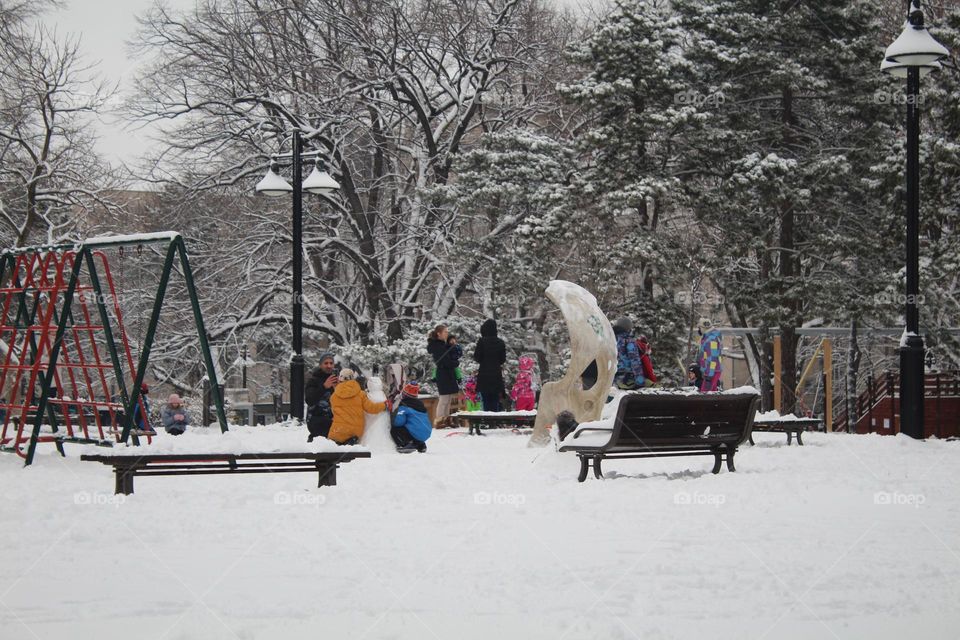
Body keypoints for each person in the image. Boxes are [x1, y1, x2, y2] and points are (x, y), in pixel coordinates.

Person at [329, 368, 388, 445]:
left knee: (332, 448)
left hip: (338, 430)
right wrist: (384, 405)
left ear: (340, 379)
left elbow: (334, 412)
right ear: (352, 378)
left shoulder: (333, 397)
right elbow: (371, 408)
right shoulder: (360, 394)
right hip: (354, 431)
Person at [427, 325, 460, 427]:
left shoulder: (443, 344)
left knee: (448, 398)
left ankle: (446, 419)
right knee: (444, 398)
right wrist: (455, 363)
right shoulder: (437, 346)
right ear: (439, 333)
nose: (447, 334)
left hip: (448, 373)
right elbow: (446, 361)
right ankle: (439, 420)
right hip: (443, 373)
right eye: (445, 332)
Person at [472, 319, 506, 411]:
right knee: (495, 400)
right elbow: (502, 359)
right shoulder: (500, 342)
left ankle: (486, 418)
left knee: (485, 400)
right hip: (496, 375)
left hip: (484, 375)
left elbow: (477, 357)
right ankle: (494, 417)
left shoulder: (482, 342)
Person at [305, 352, 339, 441]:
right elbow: (310, 400)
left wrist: (338, 389)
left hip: (336, 422)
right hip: (317, 422)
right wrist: (324, 387)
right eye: (326, 363)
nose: (329, 366)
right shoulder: (313, 380)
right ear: (320, 365)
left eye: (331, 363)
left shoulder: (337, 380)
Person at [391, 382, 432, 453]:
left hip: (416, 432)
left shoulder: (404, 406)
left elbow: (398, 422)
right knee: (414, 426)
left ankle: (407, 444)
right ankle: (421, 445)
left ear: (404, 395)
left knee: (395, 430)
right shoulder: (420, 405)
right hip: (427, 432)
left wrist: (393, 416)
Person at [612, 317, 646, 390]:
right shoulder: (629, 341)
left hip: (612, 379)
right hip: (626, 379)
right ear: (628, 328)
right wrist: (640, 382)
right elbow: (635, 362)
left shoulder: (611, 340)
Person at [696, 318, 723, 392]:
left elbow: (712, 358)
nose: (698, 330)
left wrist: (709, 376)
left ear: (703, 328)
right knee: (712, 394)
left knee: (705, 394)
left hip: (712, 372)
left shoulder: (710, 340)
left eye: (699, 328)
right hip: (712, 371)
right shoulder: (708, 337)